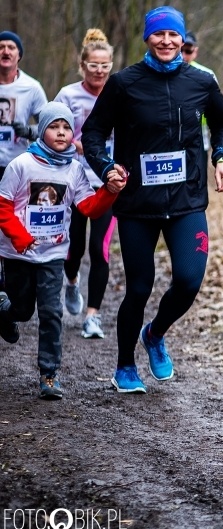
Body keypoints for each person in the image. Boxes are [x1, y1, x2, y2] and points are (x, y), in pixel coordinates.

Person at [81, 6, 223, 394]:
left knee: (188, 279)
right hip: (137, 204)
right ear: (147, 39)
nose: (166, 41)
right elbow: (94, 133)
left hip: (187, 200)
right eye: (158, 35)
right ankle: (125, 366)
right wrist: (106, 168)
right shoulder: (124, 83)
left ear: (182, 39)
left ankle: (155, 333)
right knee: (138, 287)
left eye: (173, 35)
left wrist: (222, 157)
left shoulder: (201, 82)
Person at [0, 101, 126, 400]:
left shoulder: (74, 170)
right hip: (18, 253)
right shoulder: (22, 165)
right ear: (42, 130)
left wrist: (109, 191)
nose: (61, 133)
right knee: (23, 309)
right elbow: (3, 206)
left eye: (66, 127)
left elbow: (89, 208)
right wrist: (21, 238)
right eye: (54, 127)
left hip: (53, 254)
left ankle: (49, 375)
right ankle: (5, 311)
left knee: (51, 312)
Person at [55, 29, 117, 339]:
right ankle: (71, 281)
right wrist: (79, 146)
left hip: (107, 183)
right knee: (75, 245)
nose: (100, 70)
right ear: (83, 65)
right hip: (74, 180)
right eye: (94, 64)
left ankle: (92, 316)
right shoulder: (68, 95)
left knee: (100, 248)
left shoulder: (121, 93)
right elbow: (53, 132)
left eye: (105, 65)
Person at [0, 31, 47, 180]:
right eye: (1, 47)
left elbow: (48, 126)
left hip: (16, 166)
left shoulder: (32, 87)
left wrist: (28, 131)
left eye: (11, 47)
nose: (6, 51)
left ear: (19, 55)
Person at [181, 31, 216, 154]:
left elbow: (217, 112)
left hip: (199, 138)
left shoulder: (206, 75)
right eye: (180, 50)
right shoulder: (163, 74)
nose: (183, 55)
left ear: (195, 52)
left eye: (188, 51)